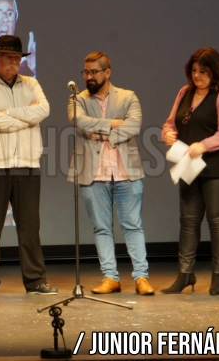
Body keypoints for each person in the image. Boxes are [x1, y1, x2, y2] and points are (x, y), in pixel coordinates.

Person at [0, 35, 56, 298]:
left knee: (30, 226)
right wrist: (23, 116)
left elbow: (43, 110)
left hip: (26, 163)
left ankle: (35, 281)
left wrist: (7, 113)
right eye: (8, 57)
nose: (13, 62)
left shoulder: (32, 84)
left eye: (17, 57)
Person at [68, 52, 154, 296]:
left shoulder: (128, 96)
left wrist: (104, 133)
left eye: (94, 72)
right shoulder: (78, 98)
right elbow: (77, 121)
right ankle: (110, 277)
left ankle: (141, 277)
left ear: (107, 72)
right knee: (101, 228)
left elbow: (134, 125)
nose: (88, 76)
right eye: (85, 72)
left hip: (126, 170)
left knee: (133, 225)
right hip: (92, 172)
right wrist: (115, 124)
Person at [161, 47, 219, 296]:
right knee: (188, 221)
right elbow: (170, 122)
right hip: (190, 165)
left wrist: (203, 145)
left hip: (218, 166)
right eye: (194, 71)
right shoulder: (185, 92)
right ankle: (185, 274)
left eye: (203, 71)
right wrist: (168, 134)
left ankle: (218, 277)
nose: (197, 76)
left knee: (217, 221)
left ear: (215, 71)